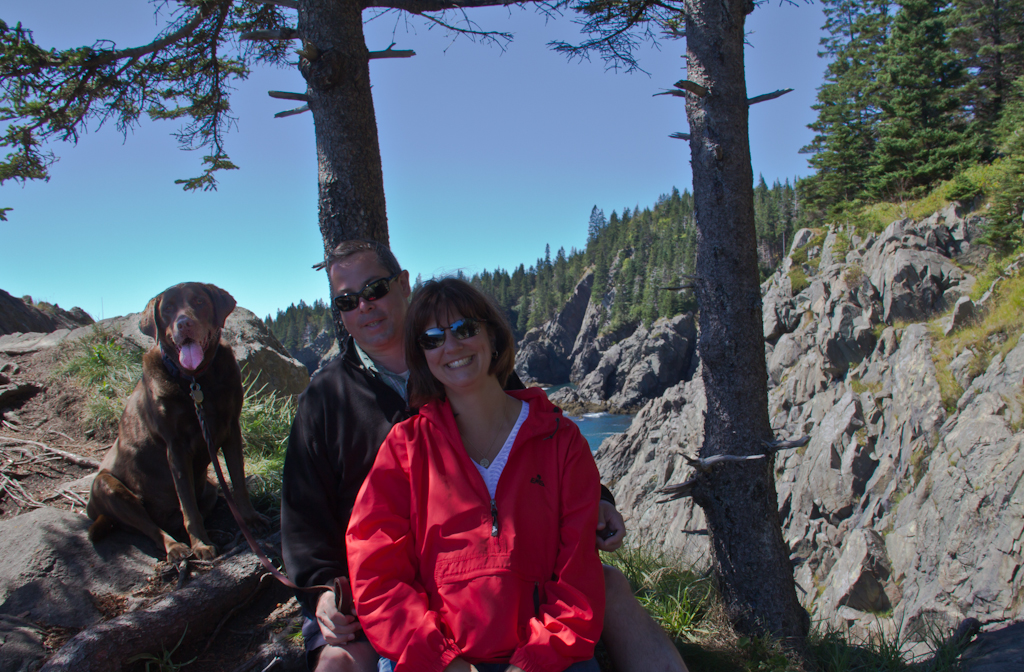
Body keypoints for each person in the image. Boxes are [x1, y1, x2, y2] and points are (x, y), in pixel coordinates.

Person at [281, 239, 689, 672]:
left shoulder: (512, 401)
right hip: (393, 601)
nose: (364, 306)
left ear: (402, 285)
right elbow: (307, 517)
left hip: (523, 601)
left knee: (606, 584)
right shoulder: (333, 403)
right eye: (347, 300)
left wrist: (597, 500)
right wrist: (323, 589)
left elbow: (537, 452)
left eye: (374, 290)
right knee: (339, 661)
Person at [346, 278, 604, 672]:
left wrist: (531, 663)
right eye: (432, 339)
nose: (451, 346)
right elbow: (377, 575)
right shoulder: (405, 448)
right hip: (436, 661)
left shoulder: (561, 441)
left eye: (465, 329)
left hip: (548, 660)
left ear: (493, 336)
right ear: (422, 355)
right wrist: (445, 662)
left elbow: (578, 579)